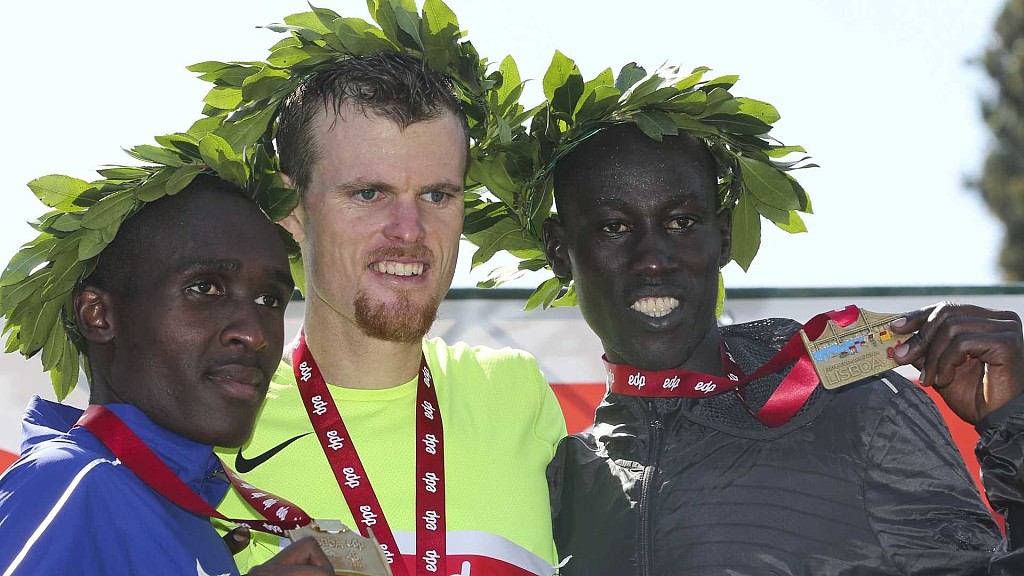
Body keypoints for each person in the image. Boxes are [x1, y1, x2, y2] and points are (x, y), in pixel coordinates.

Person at [541, 123, 1024, 574]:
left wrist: (1014, 429)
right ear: (559, 250)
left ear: (723, 236)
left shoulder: (858, 413)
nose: (652, 261)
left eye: (682, 222)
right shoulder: (561, 480)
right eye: (614, 227)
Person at [215, 51, 566, 576]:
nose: (409, 228)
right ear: (293, 208)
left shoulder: (517, 392)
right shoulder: (215, 427)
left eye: (437, 195)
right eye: (369, 193)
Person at [0, 175, 334, 575]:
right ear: (98, 314)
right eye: (205, 288)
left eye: (270, 299)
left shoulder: (181, 508)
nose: (254, 334)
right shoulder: (72, 481)